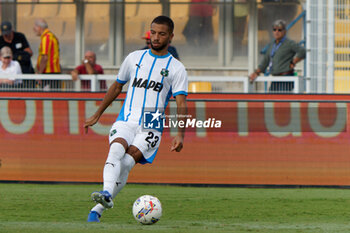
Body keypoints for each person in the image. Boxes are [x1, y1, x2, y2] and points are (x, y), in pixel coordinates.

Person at [84, 15, 188, 222]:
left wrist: (180, 134)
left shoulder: (177, 68)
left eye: (161, 34)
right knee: (116, 149)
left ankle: (98, 209)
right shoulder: (133, 58)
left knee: (127, 163)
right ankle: (105, 194)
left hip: (153, 122)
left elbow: (181, 103)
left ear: (171, 37)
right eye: (153, 32)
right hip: (127, 117)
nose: (156, 37)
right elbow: (116, 86)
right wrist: (97, 114)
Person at [249, 19, 306, 92]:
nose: (276, 32)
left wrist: (294, 62)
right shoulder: (272, 44)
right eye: (274, 29)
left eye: (279, 30)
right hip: (275, 78)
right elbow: (265, 61)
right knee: (271, 100)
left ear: (284, 31)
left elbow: (302, 51)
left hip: (286, 78)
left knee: (282, 101)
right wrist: (256, 73)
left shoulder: (289, 43)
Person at [33, 18, 61, 90]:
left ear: (39, 27)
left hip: (49, 73)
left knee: (48, 98)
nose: (34, 30)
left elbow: (44, 57)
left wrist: (39, 74)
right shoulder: (52, 36)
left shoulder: (46, 37)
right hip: (53, 73)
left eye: (35, 28)